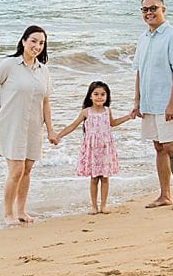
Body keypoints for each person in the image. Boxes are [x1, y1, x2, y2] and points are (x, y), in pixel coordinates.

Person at [0, 25, 58, 225]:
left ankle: (22, 211)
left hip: (34, 126)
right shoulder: (9, 65)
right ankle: (8, 214)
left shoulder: (44, 70)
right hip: (12, 125)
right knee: (16, 170)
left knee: (27, 170)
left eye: (41, 43)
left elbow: (46, 102)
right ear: (24, 41)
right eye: (33, 41)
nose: (37, 46)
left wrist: (50, 129)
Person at [131, 0, 173, 210]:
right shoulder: (143, 37)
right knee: (158, 147)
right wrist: (137, 102)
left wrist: (172, 103)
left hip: (168, 103)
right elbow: (139, 72)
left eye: (153, 8)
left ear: (163, 9)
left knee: (171, 146)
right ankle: (164, 195)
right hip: (149, 103)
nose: (149, 12)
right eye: (145, 9)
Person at [55, 80, 133, 214]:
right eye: (96, 94)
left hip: (105, 148)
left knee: (105, 177)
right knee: (94, 178)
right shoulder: (86, 112)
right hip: (92, 149)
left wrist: (129, 117)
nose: (99, 97)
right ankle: (94, 206)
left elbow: (113, 123)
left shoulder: (107, 111)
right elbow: (73, 126)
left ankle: (103, 205)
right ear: (90, 96)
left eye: (103, 94)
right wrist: (59, 135)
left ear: (107, 96)